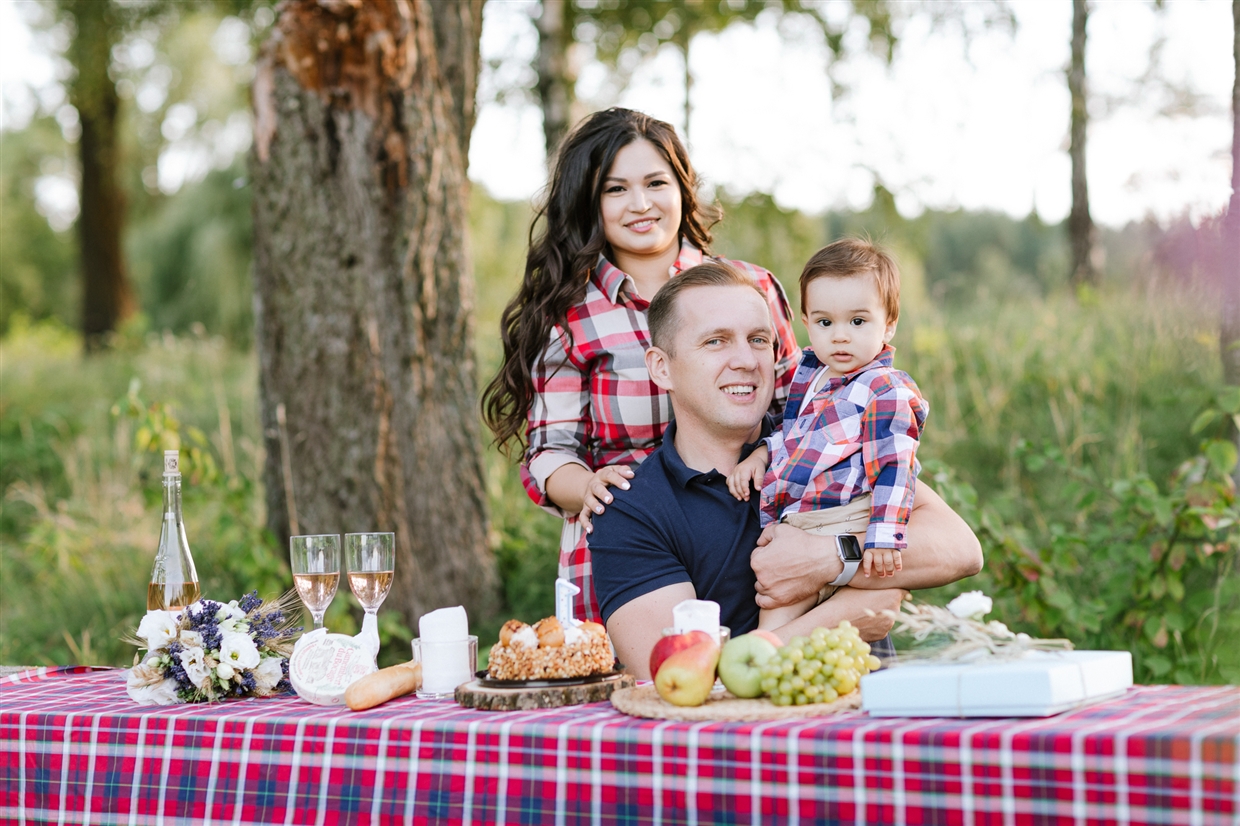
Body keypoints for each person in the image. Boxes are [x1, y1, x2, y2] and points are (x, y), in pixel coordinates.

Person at [587, 262, 983, 678]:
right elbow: (678, 678)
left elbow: (960, 549)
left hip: (867, 733)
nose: (745, 360)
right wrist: (843, 615)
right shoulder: (631, 510)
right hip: (744, 740)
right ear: (661, 367)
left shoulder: (825, 440)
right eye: (716, 341)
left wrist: (832, 558)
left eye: (759, 340)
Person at [481, 108, 799, 623]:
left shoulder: (750, 288)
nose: (641, 204)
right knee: (648, 691)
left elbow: (797, 413)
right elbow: (548, 452)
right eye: (616, 189)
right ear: (590, 200)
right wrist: (587, 486)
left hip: (753, 532)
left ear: (682, 188)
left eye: (656, 182)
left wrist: (767, 452)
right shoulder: (567, 316)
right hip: (628, 548)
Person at [727, 239, 928, 630]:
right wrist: (761, 455)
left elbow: (895, 467)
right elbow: (794, 436)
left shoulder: (884, 389)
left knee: (847, 630)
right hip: (799, 523)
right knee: (773, 620)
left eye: (857, 321)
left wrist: (883, 534)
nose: (839, 336)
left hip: (848, 518)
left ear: (888, 323)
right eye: (825, 322)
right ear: (805, 323)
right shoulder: (813, 376)